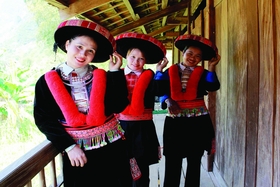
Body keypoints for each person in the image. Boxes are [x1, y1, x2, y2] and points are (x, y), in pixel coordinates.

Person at [33, 19, 132, 187]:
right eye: (79, 47)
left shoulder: (104, 77)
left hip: (112, 148)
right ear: (67, 44)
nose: (83, 54)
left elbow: (119, 105)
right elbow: (44, 120)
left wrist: (115, 72)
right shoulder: (45, 82)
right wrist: (69, 147)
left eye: (90, 51)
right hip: (78, 154)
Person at [154, 34, 221, 187]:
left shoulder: (203, 73)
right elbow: (159, 90)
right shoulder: (170, 71)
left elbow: (213, 86)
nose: (193, 58)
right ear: (183, 53)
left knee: (194, 160)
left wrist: (211, 67)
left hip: (197, 122)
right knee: (172, 160)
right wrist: (167, 98)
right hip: (175, 122)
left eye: (198, 56)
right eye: (190, 53)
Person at [114, 32, 168, 187]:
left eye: (141, 58)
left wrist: (159, 71)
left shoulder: (150, 77)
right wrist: (114, 71)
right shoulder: (116, 75)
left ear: (145, 61)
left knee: (141, 166)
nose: (136, 62)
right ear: (126, 56)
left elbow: (158, 91)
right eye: (133, 57)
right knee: (121, 166)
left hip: (143, 128)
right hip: (120, 127)